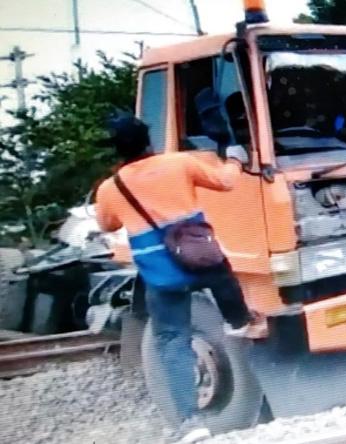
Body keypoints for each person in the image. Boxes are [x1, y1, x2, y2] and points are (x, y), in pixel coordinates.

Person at [94, 115, 267, 443]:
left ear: (117, 151)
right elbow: (226, 182)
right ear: (149, 141)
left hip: (163, 276)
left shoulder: (110, 188)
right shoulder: (179, 163)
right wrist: (233, 158)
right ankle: (239, 321)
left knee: (172, 341)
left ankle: (191, 421)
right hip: (201, 259)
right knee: (222, 271)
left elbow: (108, 226)